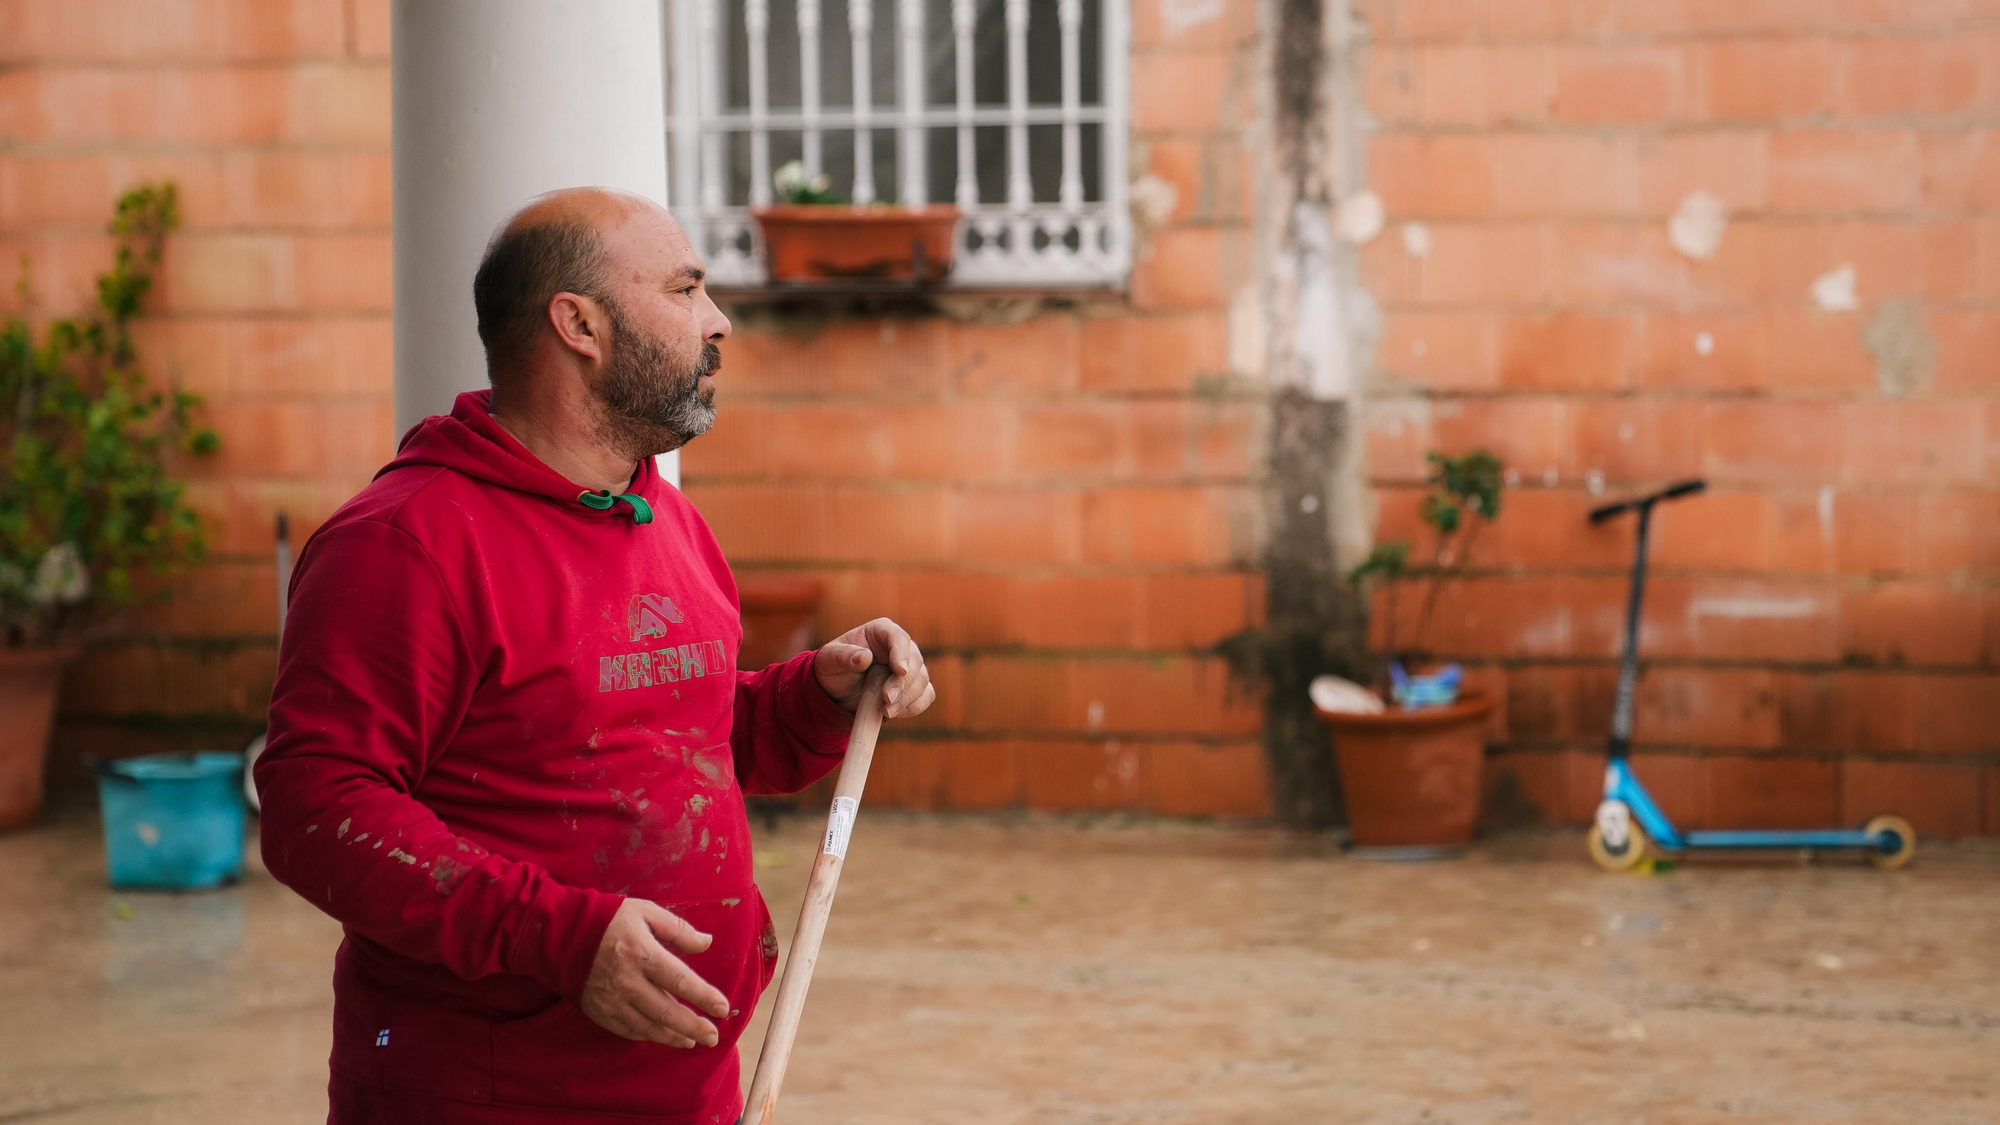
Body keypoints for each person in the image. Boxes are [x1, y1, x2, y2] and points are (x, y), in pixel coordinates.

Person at [255, 187, 935, 1124]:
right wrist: (561, 937)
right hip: (491, 1095)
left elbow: (665, 737)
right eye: (687, 288)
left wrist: (811, 698)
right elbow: (314, 807)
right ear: (579, 323)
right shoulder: (405, 544)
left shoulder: (666, 518)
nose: (719, 320)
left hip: (684, 1085)